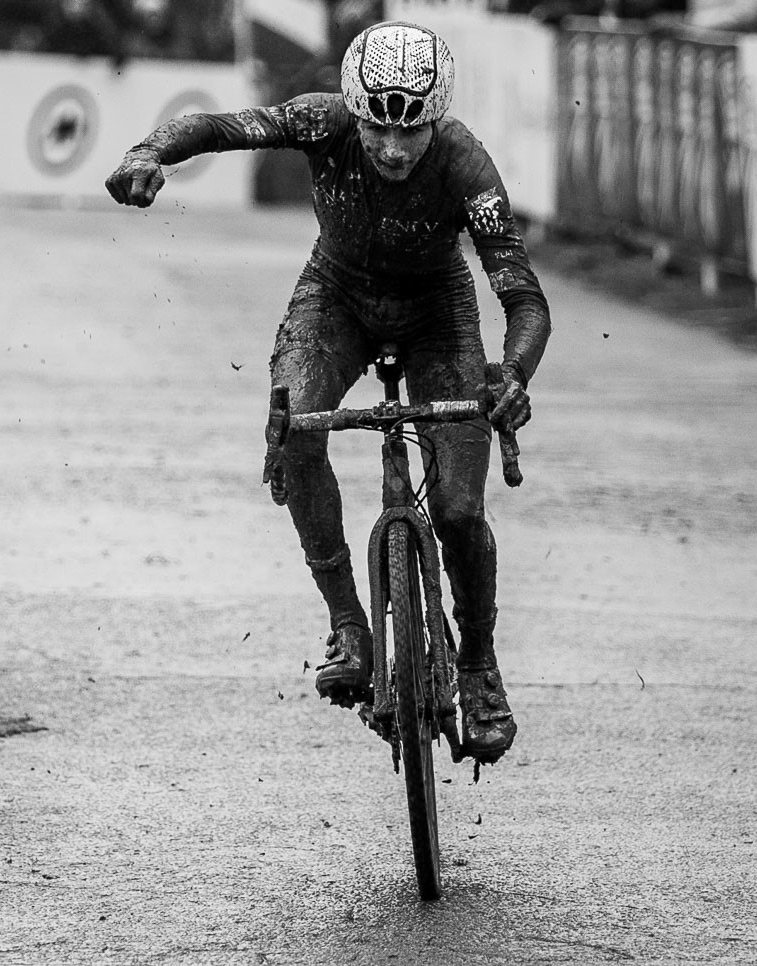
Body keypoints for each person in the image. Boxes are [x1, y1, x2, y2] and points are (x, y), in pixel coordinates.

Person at [104, 21, 551, 764]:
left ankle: (478, 666)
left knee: (460, 509)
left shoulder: (467, 164)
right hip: (337, 297)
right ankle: (349, 626)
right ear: (356, 112)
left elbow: (524, 299)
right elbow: (218, 127)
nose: (393, 148)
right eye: (377, 127)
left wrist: (513, 373)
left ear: (436, 121)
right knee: (294, 426)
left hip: (440, 316)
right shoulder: (321, 119)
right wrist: (149, 152)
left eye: (412, 133)